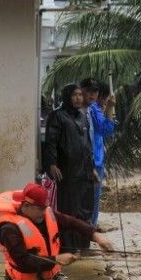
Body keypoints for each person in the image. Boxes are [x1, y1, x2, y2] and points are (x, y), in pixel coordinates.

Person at [0, 182, 114, 280]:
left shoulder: (46, 214)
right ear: (26, 205)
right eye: (40, 208)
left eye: (45, 207)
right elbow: (23, 262)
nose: (44, 212)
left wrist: (95, 235)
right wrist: (56, 259)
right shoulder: (9, 228)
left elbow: (72, 223)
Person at [42, 83, 95, 249]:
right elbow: (50, 142)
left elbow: (87, 144)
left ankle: (83, 245)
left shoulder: (83, 116)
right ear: (67, 97)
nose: (79, 98)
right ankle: (68, 247)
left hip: (85, 171)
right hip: (68, 171)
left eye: (80, 95)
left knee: (85, 209)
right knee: (69, 210)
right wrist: (52, 163)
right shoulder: (57, 116)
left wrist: (92, 167)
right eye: (74, 95)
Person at [81, 78, 117, 226]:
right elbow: (105, 129)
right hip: (94, 161)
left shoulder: (91, 109)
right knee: (93, 199)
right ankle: (91, 228)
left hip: (94, 159)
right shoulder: (94, 109)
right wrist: (110, 108)